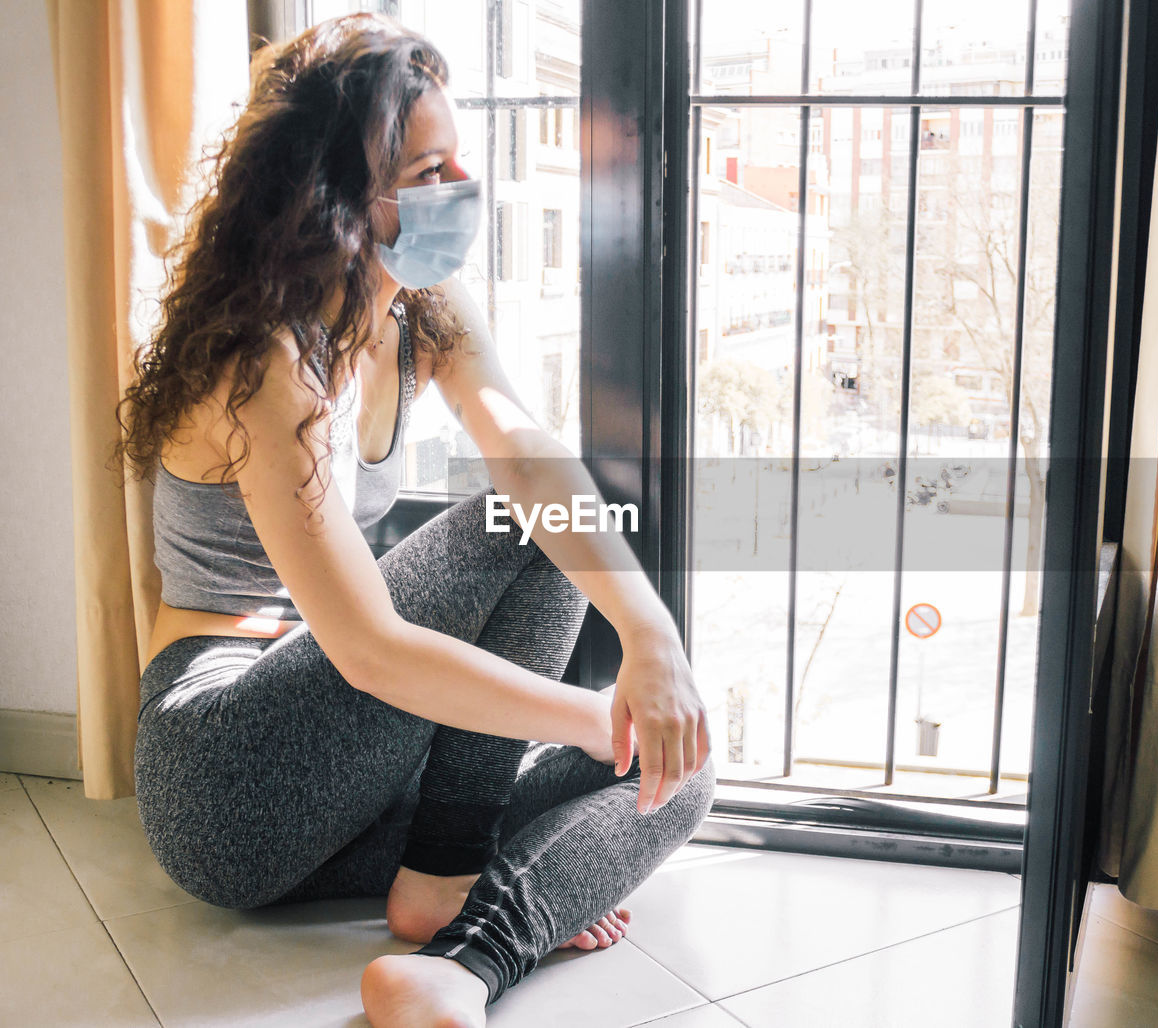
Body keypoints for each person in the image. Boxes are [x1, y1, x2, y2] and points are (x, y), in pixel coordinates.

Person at [117, 13, 715, 1027]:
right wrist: (595, 714)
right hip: (222, 772)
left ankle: (460, 958)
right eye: (427, 168)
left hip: (335, 769)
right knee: (528, 553)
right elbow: (370, 651)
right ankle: (446, 866)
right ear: (334, 197)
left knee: (684, 773)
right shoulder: (265, 359)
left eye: (456, 157)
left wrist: (651, 643)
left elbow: (527, 445)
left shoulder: (416, 305)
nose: (460, 187)